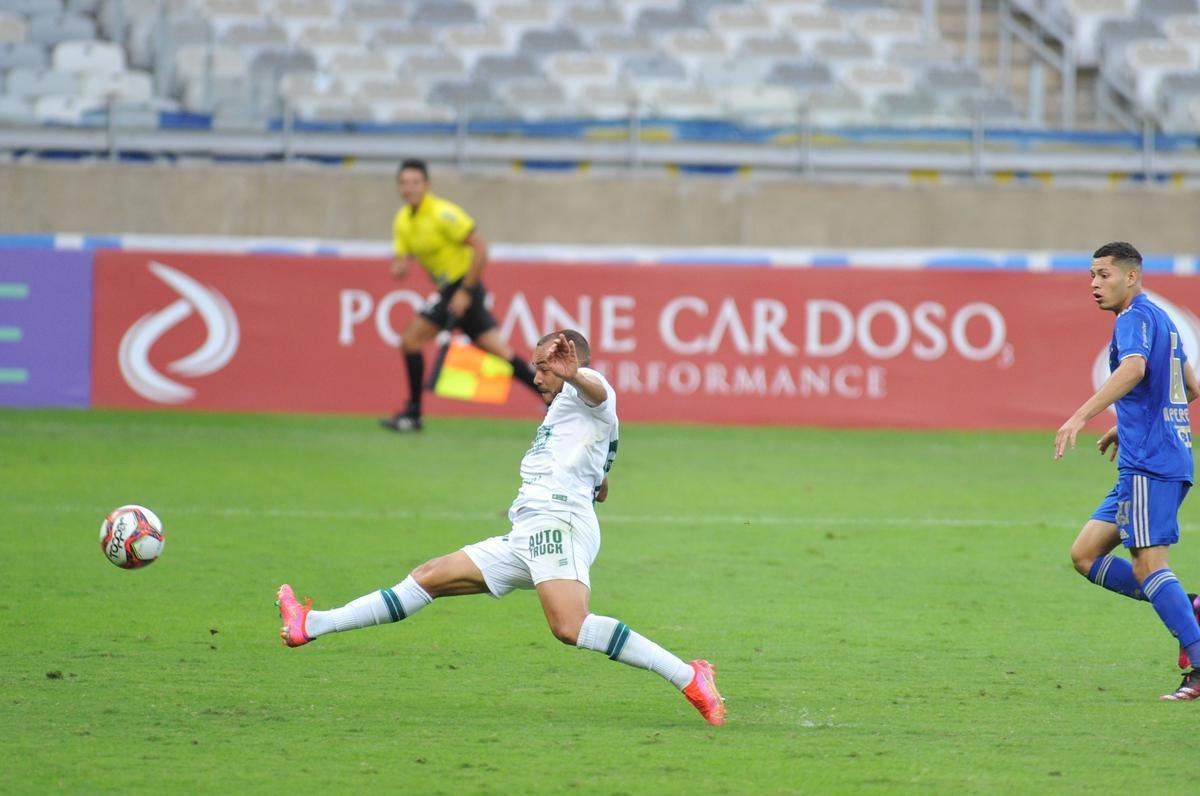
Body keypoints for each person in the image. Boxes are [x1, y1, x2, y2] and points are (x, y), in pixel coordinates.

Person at [279, 330, 726, 725]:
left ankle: (689, 677)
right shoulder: (567, 415)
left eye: (544, 367)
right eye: (537, 368)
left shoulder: (587, 390)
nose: (536, 377)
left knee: (569, 626)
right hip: (528, 530)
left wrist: (572, 375)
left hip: (556, 522)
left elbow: (598, 393)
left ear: (572, 362)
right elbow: (599, 481)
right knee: (428, 577)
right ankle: (312, 624)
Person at [1056, 241, 1200, 701]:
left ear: (1131, 276)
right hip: (1156, 457)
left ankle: (1198, 664)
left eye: (1104, 275)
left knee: (1148, 564)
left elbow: (1135, 369)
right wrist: (1127, 422)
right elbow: (1191, 387)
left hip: (1150, 464)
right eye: (1092, 277)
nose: (1095, 285)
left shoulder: (1134, 318)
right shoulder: (1164, 320)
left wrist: (1082, 415)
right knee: (1085, 554)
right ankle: (1190, 604)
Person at [380, 159, 540, 432]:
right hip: (449, 290)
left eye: (415, 182)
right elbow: (401, 258)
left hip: (463, 286)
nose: (410, 188)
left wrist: (466, 291)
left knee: (410, 341)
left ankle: (414, 414)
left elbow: (481, 248)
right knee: (501, 351)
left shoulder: (444, 214)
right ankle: (556, 399)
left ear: (427, 185)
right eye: (404, 183)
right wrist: (400, 266)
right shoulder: (403, 220)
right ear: (398, 187)